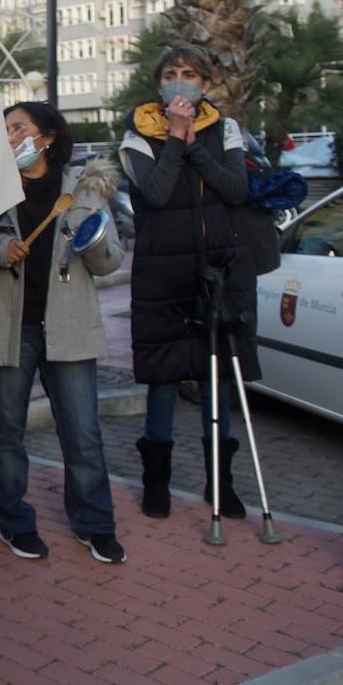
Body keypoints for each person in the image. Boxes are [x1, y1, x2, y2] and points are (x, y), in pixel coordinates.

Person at [0, 102, 126, 564]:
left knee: (82, 432)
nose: (11, 136)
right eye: (5, 129)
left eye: (19, 127)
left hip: (68, 326)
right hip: (9, 324)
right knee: (6, 430)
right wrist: (0, 248)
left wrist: (93, 239)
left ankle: (95, 524)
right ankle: (13, 520)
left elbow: (111, 260)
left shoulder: (82, 189)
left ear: (47, 137)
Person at [120, 45, 258, 521]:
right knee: (163, 376)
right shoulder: (137, 134)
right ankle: (155, 482)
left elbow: (237, 189)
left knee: (215, 375)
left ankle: (221, 483)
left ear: (206, 84)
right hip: (164, 271)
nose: (181, 81)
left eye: (191, 74)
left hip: (220, 267)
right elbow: (155, 195)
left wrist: (196, 145)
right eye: (172, 73)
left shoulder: (227, 128)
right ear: (159, 85)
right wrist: (175, 140)